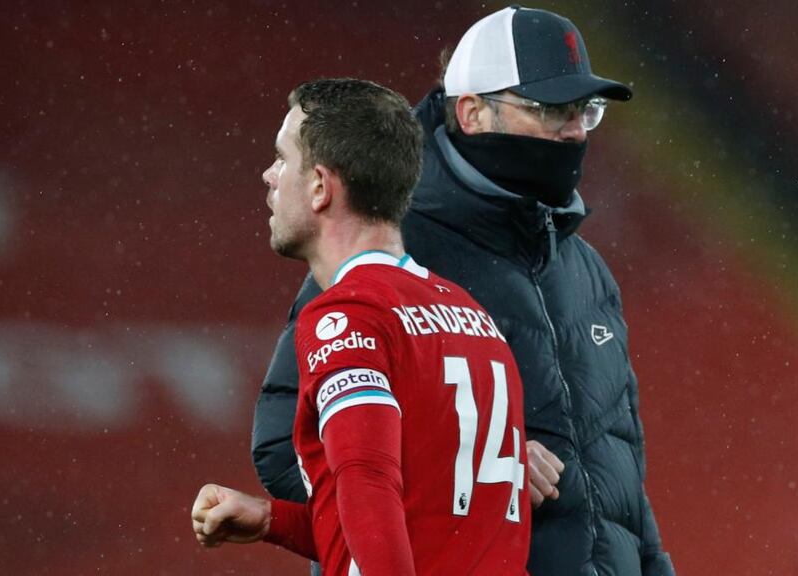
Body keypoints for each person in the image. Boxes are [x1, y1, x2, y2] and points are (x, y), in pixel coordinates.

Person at [253, 6, 676, 576]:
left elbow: (619, 475)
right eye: (551, 110)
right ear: (472, 112)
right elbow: (288, 446)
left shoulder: (586, 270)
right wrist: (476, 468)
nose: (575, 131)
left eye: (586, 111)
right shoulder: (390, 247)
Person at [193, 78, 531, 575]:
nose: (269, 175)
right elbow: (429, 529)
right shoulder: (470, 317)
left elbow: (367, 480)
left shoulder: (348, 315)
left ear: (320, 187)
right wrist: (271, 519)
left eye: (283, 158)